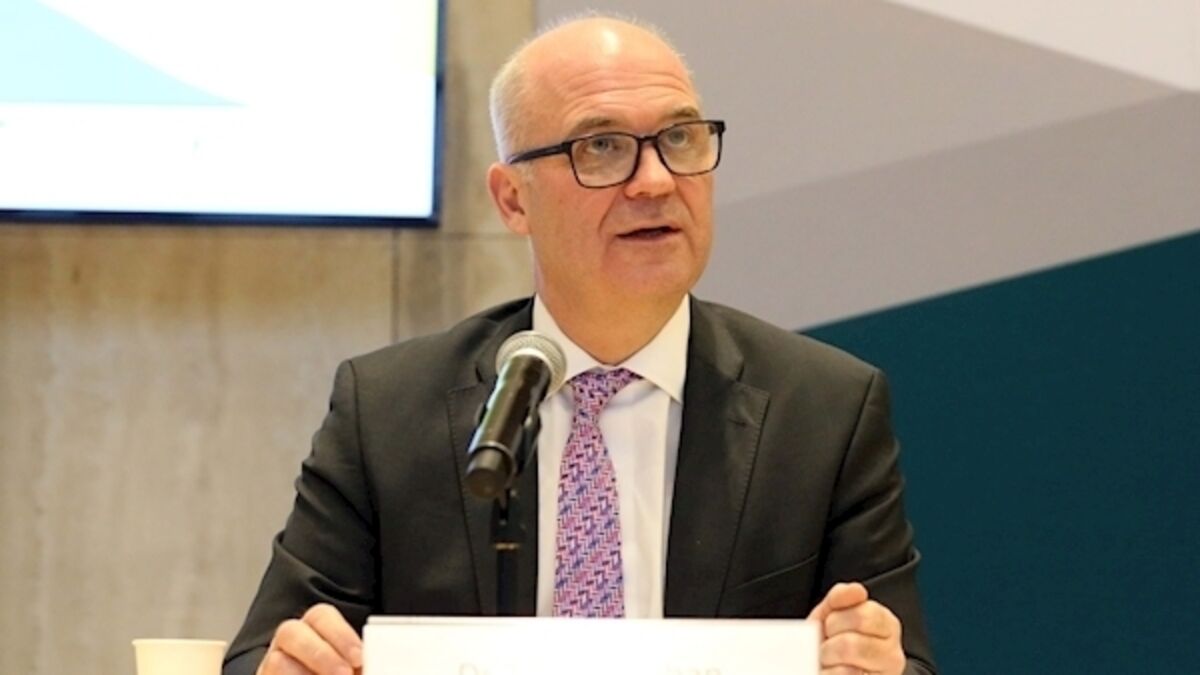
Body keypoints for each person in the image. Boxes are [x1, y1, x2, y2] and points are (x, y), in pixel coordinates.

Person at [224, 15, 936, 675]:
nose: (655, 181)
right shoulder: (387, 410)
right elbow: (262, 650)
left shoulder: (825, 411)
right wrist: (293, 662)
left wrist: (877, 664)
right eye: (601, 147)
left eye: (680, 139)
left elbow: (903, 660)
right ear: (513, 199)